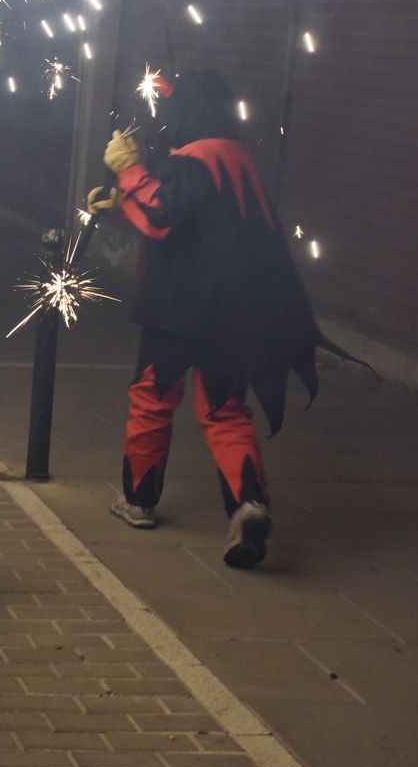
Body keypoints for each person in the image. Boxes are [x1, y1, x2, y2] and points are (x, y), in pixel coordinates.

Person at [89, 69, 363, 568]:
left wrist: (129, 173)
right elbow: (204, 216)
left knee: (152, 400)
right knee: (225, 411)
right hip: (233, 315)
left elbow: (161, 216)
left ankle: (137, 500)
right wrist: (122, 200)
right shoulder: (236, 157)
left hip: (177, 312)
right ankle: (248, 506)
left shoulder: (193, 158)